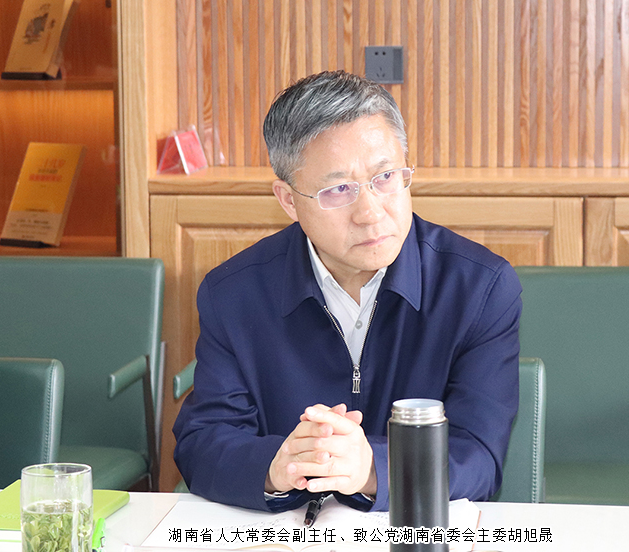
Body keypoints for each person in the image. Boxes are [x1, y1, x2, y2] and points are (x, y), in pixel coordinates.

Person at [173, 70, 522, 513]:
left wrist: (373, 468)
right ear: (288, 199)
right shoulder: (233, 293)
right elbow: (203, 441)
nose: (370, 212)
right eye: (339, 189)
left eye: (385, 176)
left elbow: (480, 455)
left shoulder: (479, 287)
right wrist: (277, 464)